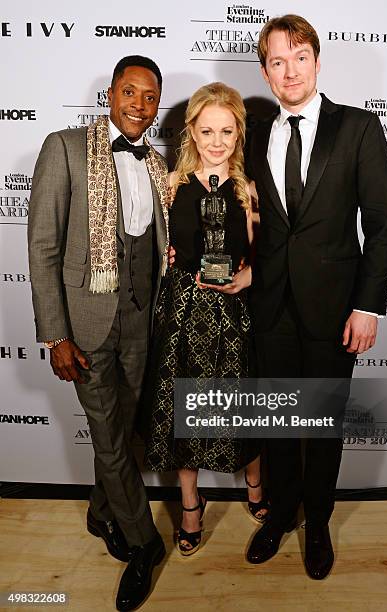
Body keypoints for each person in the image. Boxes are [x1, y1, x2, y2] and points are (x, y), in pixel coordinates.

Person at [245, 15, 387, 579]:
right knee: (278, 422)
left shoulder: (358, 128)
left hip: (335, 310)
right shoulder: (254, 133)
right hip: (270, 307)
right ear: (265, 70)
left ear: (316, 60)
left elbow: (380, 227)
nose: (289, 71)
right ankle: (281, 514)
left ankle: (317, 522)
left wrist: (368, 305)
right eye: (277, 61)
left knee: (322, 424)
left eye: (299, 57)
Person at [28, 55, 169, 611]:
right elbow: (42, 249)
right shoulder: (64, 147)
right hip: (84, 325)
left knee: (124, 429)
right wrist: (55, 335)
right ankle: (143, 543)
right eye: (129, 92)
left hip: (141, 318)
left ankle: (99, 511)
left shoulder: (158, 165)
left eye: (150, 96)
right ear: (110, 94)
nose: (139, 104)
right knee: (108, 434)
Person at [143, 82, 268, 556]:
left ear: (239, 135)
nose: (217, 141)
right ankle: (190, 504)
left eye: (227, 131)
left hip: (235, 314)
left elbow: (263, 254)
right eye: (207, 130)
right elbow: (153, 246)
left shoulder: (248, 190)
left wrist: (249, 277)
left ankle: (256, 487)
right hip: (182, 310)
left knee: (243, 406)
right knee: (183, 411)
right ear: (191, 132)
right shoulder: (172, 185)